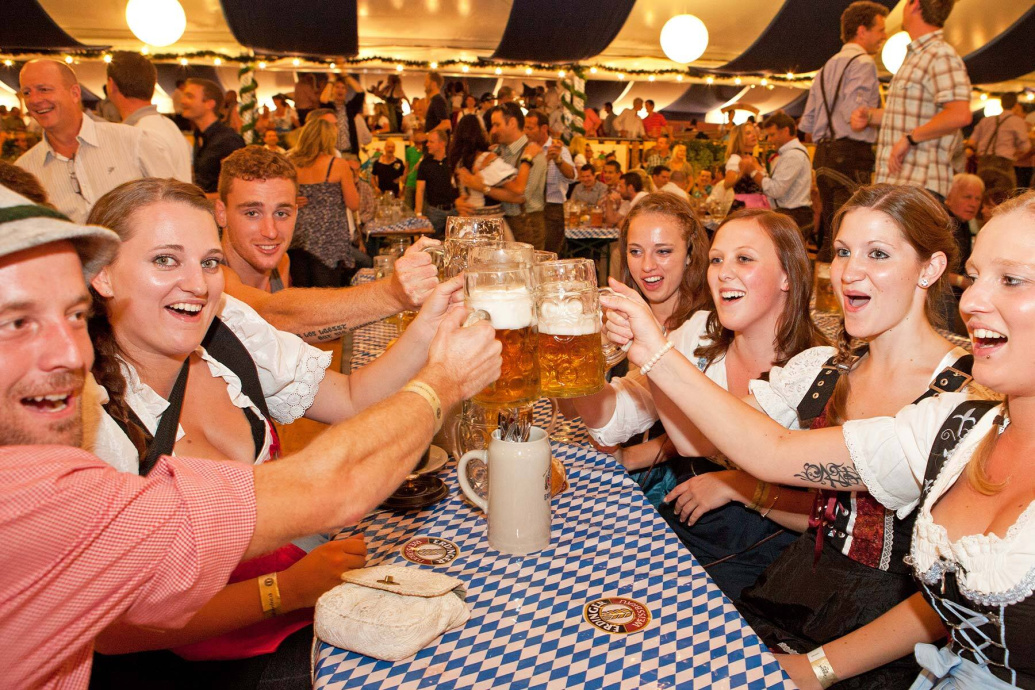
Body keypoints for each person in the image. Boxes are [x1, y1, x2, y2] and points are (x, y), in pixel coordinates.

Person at [0, 184, 501, 689]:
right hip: (190, 660)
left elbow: (349, 400)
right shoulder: (78, 425)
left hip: (294, 596)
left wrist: (426, 327)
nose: (196, 284)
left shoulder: (224, 327)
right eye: (165, 261)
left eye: (210, 261)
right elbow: (118, 633)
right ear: (103, 276)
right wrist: (284, 589)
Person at [603, 189, 1035, 690]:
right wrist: (651, 353)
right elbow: (759, 448)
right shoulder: (924, 411)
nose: (849, 271)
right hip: (806, 589)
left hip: (881, 630)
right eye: (843, 251)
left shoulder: (964, 399)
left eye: (1010, 280)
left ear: (930, 268)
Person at [577, 203, 827, 598]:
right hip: (695, 517)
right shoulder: (699, 332)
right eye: (717, 259)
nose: (723, 272)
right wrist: (574, 356)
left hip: (773, 550)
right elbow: (614, 419)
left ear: (787, 275)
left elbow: (698, 442)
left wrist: (739, 486)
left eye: (743, 258)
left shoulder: (815, 368)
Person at [216, 145, 436, 342]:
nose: (271, 231)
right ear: (221, 213)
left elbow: (280, 341)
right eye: (252, 213)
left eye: (282, 213)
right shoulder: (213, 274)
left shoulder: (281, 261)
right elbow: (270, 315)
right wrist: (392, 293)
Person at [14, 59, 178, 222]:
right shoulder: (25, 170)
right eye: (27, 93)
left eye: (44, 89)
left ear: (75, 93)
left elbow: (176, 205)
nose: (34, 100)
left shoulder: (132, 141)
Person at [852, 0, 971, 200]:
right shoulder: (920, 56)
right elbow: (910, 115)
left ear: (915, 5)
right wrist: (870, 116)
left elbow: (960, 114)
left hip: (919, 185)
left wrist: (910, 138)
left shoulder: (940, 54)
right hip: (902, 184)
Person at [800, 1, 887, 262]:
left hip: (824, 156)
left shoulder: (826, 67)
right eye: (880, 30)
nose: (884, 36)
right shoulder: (863, 62)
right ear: (862, 31)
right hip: (851, 154)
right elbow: (857, 117)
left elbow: (807, 123)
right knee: (849, 234)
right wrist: (886, 116)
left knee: (830, 232)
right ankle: (836, 299)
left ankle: (823, 296)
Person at [284, 123, 362, 288]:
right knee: (327, 293)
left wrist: (292, 200)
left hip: (298, 235)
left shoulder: (290, 163)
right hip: (329, 239)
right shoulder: (338, 165)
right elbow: (353, 204)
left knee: (301, 290)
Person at [463, 103, 547, 249]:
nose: (493, 130)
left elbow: (521, 196)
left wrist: (483, 188)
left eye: (497, 124)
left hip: (526, 224)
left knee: (526, 270)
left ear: (513, 123)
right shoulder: (497, 152)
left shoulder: (534, 154)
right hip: (501, 222)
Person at [105, 51, 192, 185]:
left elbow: (162, 197)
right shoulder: (168, 124)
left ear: (111, 85)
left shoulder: (140, 133)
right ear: (153, 85)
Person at [740, 112, 814, 234]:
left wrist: (753, 171)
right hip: (792, 214)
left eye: (772, 135)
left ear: (785, 131)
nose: (769, 140)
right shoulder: (790, 153)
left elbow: (775, 190)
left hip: (793, 216)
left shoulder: (793, 155)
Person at [182, 78, 246, 196]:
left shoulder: (228, 140)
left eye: (190, 96)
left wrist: (197, 200)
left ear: (209, 104)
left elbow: (240, 190)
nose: (183, 101)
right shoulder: (200, 136)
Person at [525, 109, 575, 255]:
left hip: (553, 208)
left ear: (544, 128)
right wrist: (543, 161)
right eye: (525, 127)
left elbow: (572, 176)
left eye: (530, 128)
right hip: (529, 207)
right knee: (529, 253)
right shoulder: (525, 150)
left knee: (550, 254)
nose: (526, 132)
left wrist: (558, 160)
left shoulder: (559, 149)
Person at [449, 113, 517, 218]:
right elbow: (516, 196)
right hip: (488, 223)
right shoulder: (487, 159)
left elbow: (459, 193)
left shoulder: (459, 162)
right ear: (480, 133)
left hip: (466, 220)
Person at [969, 92, 1031, 189]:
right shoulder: (1017, 121)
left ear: (1001, 104)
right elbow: (1025, 147)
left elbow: (972, 142)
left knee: (983, 197)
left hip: (983, 163)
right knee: (1005, 199)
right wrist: (1016, 153)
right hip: (1003, 164)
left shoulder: (986, 120)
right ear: (1015, 105)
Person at [415, 128, 457, 235]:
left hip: (454, 210)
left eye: (431, 142)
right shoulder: (425, 164)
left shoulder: (453, 161)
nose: (427, 144)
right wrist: (419, 213)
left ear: (442, 143)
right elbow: (420, 190)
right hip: (434, 211)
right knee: (428, 241)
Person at [944, 172, 984, 267]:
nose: (973, 204)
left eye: (978, 199)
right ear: (949, 197)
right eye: (967, 197)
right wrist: (962, 281)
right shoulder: (943, 223)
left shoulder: (966, 223)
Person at [321, 74, 365, 154]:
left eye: (343, 88)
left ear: (346, 91)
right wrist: (331, 81)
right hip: (332, 153)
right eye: (337, 87)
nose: (340, 90)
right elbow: (323, 100)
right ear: (332, 90)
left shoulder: (350, 108)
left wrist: (346, 75)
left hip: (349, 152)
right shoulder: (329, 108)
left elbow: (361, 92)